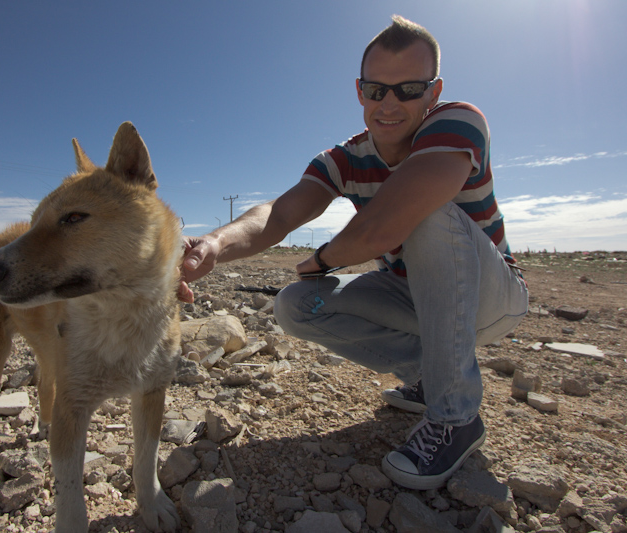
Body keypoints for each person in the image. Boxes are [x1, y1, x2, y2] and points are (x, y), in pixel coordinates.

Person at [179, 15, 528, 490]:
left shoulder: (457, 121)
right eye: (376, 89)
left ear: (433, 90)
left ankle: (455, 416)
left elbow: (385, 225)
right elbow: (279, 215)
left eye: (408, 89)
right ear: (359, 91)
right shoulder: (344, 157)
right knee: (298, 303)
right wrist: (215, 243)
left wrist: (320, 261)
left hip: (489, 299)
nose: (389, 103)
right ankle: (430, 378)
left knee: (424, 213)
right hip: (410, 298)